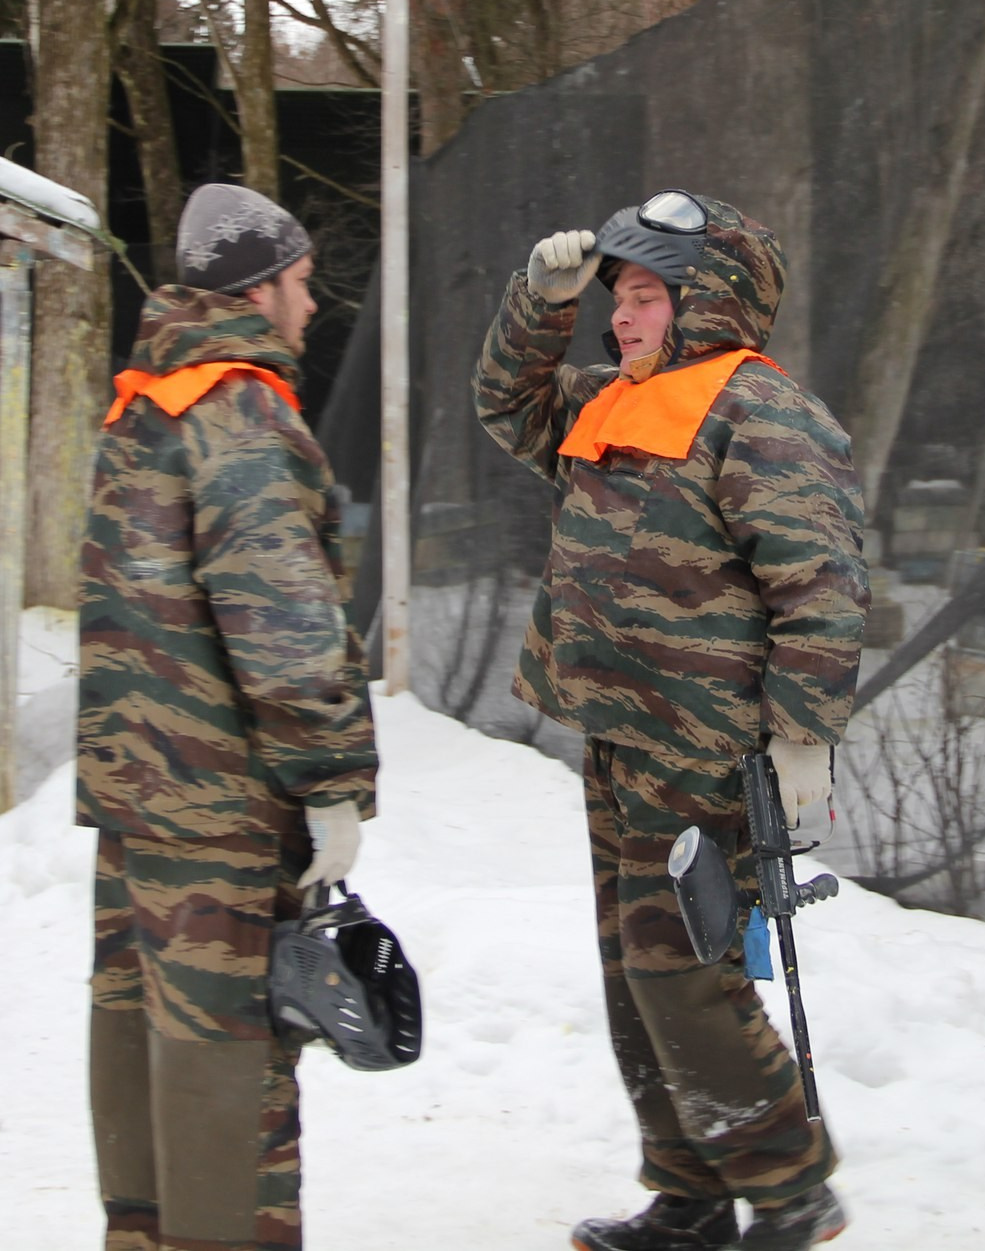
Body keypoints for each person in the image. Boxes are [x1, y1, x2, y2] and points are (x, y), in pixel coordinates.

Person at [475, 190, 867, 1251]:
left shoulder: (760, 412)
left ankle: (789, 1188)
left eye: (647, 294)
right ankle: (690, 1194)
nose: (623, 316)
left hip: (701, 754)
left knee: (682, 974)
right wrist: (537, 301)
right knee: (632, 975)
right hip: (615, 739)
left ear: (710, 299)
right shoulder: (613, 397)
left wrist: (802, 732)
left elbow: (819, 586)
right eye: (620, 296)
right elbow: (509, 408)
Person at [78, 182, 379, 1251]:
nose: (308, 308)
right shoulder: (242, 411)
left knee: (137, 1021)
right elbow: (283, 623)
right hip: (218, 803)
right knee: (225, 1047)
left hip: (137, 792)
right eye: (300, 285)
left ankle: (141, 1231)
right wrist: (334, 779)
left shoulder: (144, 400)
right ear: (257, 288)